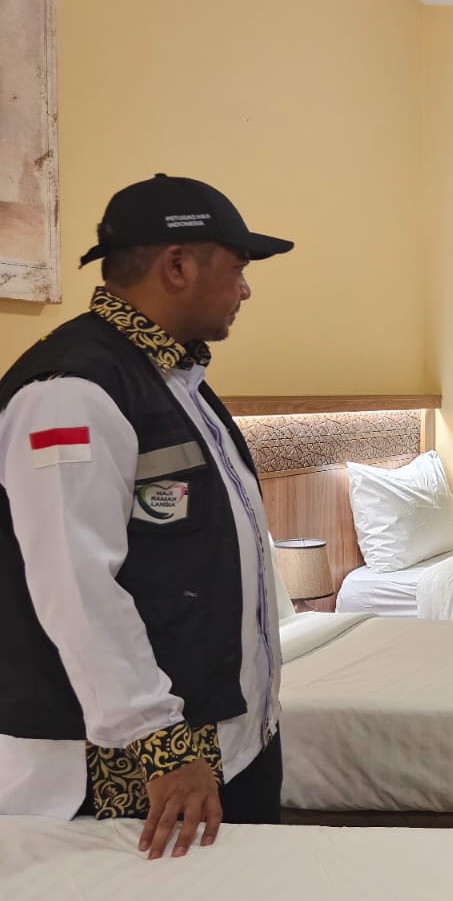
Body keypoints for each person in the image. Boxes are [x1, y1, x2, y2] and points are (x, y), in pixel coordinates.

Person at [0, 174, 293, 858]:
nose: (245, 290)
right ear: (178, 265)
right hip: (135, 769)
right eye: (238, 268)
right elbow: (76, 589)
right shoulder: (72, 391)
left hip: (223, 739)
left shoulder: (173, 378)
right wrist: (159, 741)